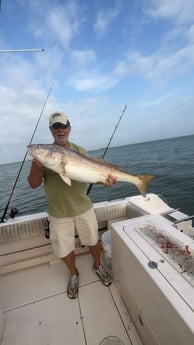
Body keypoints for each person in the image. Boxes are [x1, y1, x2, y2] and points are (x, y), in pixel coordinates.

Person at [28, 111, 117, 299]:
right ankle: (74, 274)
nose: (60, 130)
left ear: (69, 128)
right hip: (58, 212)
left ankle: (97, 266)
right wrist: (36, 167)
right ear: (51, 130)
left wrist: (106, 181)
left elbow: (94, 175)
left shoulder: (80, 150)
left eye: (63, 126)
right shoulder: (43, 157)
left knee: (93, 240)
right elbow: (34, 184)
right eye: (56, 126)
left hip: (84, 207)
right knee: (64, 248)